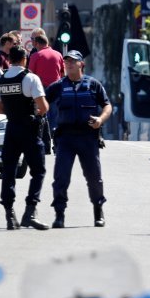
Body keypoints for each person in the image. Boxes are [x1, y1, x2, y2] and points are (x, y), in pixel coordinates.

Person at [45, 50, 112, 229]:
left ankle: (98, 211)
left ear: (81, 64)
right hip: (65, 138)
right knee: (60, 177)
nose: (68, 64)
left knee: (94, 177)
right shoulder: (58, 86)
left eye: (73, 62)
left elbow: (107, 105)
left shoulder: (93, 84)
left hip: (88, 137)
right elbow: (41, 101)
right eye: (66, 62)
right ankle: (59, 214)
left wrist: (101, 119)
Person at [0, 45, 50, 231]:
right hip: (29, 129)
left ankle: (10, 215)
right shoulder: (30, 78)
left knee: (8, 171)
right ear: (25, 59)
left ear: (9, 60)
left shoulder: (1, 80)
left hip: (11, 130)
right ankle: (30, 212)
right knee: (38, 171)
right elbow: (43, 107)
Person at [28, 32, 65, 132]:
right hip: (57, 89)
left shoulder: (35, 56)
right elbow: (63, 74)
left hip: (41, 90)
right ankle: (55, 135)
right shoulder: (58, 55)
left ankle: (46, 135)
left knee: (43, 115)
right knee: (56, 115)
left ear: (37, 44)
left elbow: (30, 75)